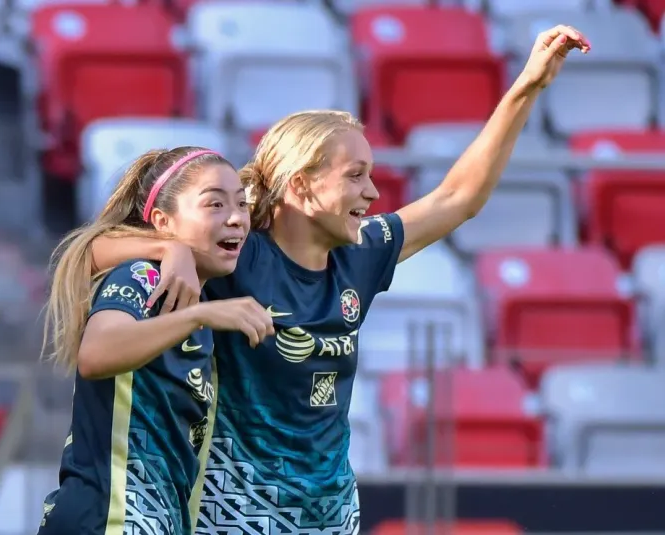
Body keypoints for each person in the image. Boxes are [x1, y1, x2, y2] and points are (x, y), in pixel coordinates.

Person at [92, 26, 590, 533]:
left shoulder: (361, 254)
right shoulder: (237, 254)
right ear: (303, 185)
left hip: (333, 513)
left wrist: (527, 86)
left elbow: (457, 199)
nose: (373, 192)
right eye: (355, 175)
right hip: (239, 512)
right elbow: (93, 250)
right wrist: (168, 246)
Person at [37, 147, 274, 535]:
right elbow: (96, 355)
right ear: (163, 220)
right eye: (214, 204)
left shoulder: (199, 300)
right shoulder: (143, 276)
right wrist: (197, 311)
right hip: (111, 516)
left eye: (241, 205)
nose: (236, 218)